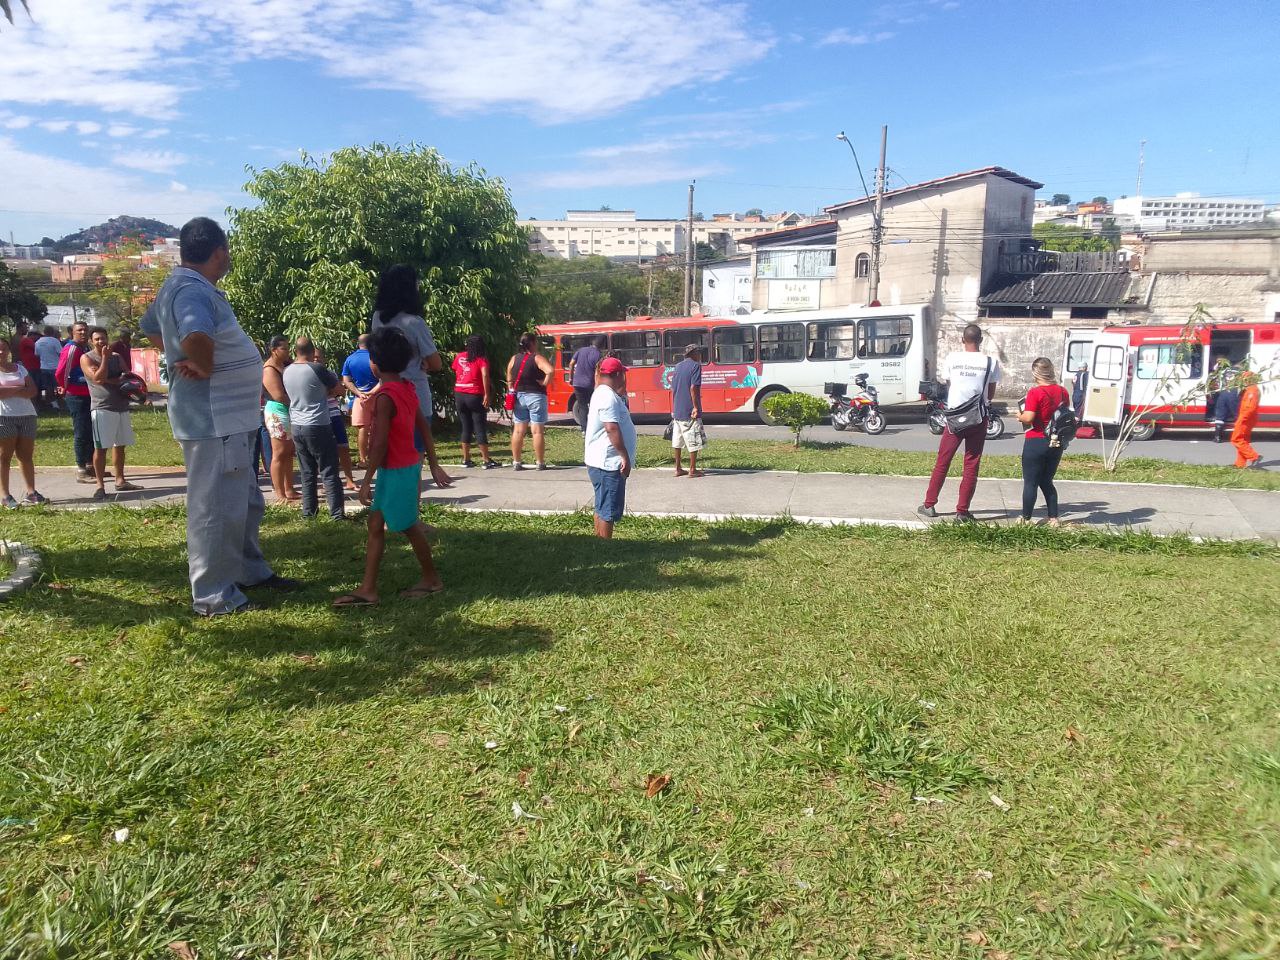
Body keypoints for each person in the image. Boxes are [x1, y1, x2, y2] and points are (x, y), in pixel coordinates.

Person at [141, 216, 297, 617]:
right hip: (214, 421)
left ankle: (249, 571)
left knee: (243, 504)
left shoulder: (184, 286)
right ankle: (213, 595)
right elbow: (195, 335)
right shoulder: (190, 291)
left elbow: (153, 330)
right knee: (214, 509)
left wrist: (178, 352)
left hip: (232, 419)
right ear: (219, 251)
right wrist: (199, 361)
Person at [333, 326, 454, 608]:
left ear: (374, 364)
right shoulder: (406, 387)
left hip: (397, 470)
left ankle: (431, 580)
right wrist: (433, 463)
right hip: (404, 467)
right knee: (375, 524)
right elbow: (423, 426)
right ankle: (368, 588)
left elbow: (379, 444)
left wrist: (366, 480)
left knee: (409, 526)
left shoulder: (385, 397)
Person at [918, 323, 1001, 522]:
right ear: (981, 340)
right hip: (978, 418)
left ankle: (929, 504)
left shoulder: (952, 359)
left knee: (943, 461)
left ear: (962, 340)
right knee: (971, 463)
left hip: (954, 417)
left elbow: (949, 383)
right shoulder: (990, 362)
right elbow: (990, 392)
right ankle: (962, 511)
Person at [369, 264, 441, 454]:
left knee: (392, 454)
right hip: (416, 394)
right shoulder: (414, 322)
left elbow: (375, 362)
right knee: (415, 455)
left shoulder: (377, 318)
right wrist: (423, 362)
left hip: (387, 393)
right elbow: (436, 363)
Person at [283, 337, 345, 519]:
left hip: (297, 425)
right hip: (317, 423)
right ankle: (336, 514)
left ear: (295, 351)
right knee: (329, 470)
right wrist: (328, 392)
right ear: (312, 352)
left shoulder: (286, 371)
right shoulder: (316, 368)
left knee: (307, 472)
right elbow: (339, 389)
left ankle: (309, 513)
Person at [81, 325, 142, 499]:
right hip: (102, 407)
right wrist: (106, 360)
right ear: (91, 342)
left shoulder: (117, 356)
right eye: (97, 339)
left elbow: (128, 376)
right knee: (101, 447)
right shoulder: (87, 358)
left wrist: (133, 387)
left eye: (103, 338)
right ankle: (100, 486)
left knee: (120, 445)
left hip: (121, 406)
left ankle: (120, 480)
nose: (101, 341)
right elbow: (98, 379)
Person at [1014, 357, 1072, 526]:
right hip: (1056, 441)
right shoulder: (1063, 391)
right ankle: (1053, 518)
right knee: (1047, 481)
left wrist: (1019, 416)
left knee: (1031, 482)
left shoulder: (1035, 392)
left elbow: (1029, 417)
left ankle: (1025, 518)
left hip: (1036, 440)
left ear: (1035, 373)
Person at [583, 356, 636, 539]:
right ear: (619, 374)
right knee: (608, 509)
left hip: (600, 461)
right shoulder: (608, 397)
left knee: (602, 504)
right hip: (609, 463)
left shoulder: (602, 392)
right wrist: (624, 456)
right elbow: (611, 428)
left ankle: (599, 542)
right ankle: (605, 547)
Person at [0, 337, 45, 507]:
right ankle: (5, 496)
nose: (1, 352)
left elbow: (32, 391)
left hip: (27, 415)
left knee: (25, 456)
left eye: (3, 348)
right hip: (4, 416)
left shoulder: (20, 369)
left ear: (9, 350)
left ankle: (31, 492)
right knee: (4, 457)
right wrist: (20, 389)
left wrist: (10, 390)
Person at [507, 332, 554, 470]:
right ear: (532, 343)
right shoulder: (537, 358)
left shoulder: (514, 358)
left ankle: (516, 462)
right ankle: (540, 462)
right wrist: (544, 383)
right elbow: (550, 371)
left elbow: (509, 376)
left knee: (518, 431)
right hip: (536, 396)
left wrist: (511, 387)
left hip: (519, 397)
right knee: (537, 431)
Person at [54, 321, 94, 483]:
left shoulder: (85, 349)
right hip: (76, 395)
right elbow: (61, 371)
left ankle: (91, 465)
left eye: (85, 330)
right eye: (79, 330)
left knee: (91, 430)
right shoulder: (71, 349)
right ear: (72, 332)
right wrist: (64, 387)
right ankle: (81, 469)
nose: (83, 333)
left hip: (89, 393)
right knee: (81, 431)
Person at [314, 344, 357, 490]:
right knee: (321, 452)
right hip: (317, 418)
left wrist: (329, 392)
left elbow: (341, 391)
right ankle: (324, 483)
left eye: (318, 358)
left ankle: (349, 480)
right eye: (313, 358)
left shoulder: (329, 374)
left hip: (334, 414)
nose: (316, 360)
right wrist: (330, 392)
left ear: (324, 359)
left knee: (343, 447)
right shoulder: (307, 375)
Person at [452, 334, 498, 468]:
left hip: (460, 393)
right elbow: (484, 374)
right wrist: (486, 394)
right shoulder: (481, 359)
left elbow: (456, 370)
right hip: (475, 394)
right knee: (479, 427)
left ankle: (466, 459)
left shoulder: (459, 356)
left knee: (465, 427)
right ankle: (486, 460)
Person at [262, 335, 298, 503]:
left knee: (289, 452)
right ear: (273, 350)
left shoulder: (286, 365)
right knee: (279, 453)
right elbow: (278, 396)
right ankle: (279, 493)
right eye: (283, 348)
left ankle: (289, 488)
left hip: (289, 410)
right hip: (277, 412)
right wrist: (299, 402)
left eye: (288, 347)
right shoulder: (269, 369)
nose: (287, 351)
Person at [669, 342, 705, 478]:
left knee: (677, 440)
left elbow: (673, 388)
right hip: (689, 409)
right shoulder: (695, 366)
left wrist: (674, 405)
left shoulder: (678, 366)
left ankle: (678, 468)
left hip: (678, 408)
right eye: (698, 353)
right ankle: (692, 469)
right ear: (694, 354)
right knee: (693, 438)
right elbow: (693, 387)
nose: (700, 355)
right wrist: (695, 406)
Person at [341, 333, 378, 466]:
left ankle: (363, 459)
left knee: (363, 428)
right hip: (378, 396)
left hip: (359, 397)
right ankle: (375, 458)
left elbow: (346, 380)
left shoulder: (350, 359)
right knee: (377, 427)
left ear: (358, 344)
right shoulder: (376, 357)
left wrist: (358, 392)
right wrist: (372, 392)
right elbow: (383, 378)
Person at [568, 335, 606, 432]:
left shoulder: (581, 350)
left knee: (582, 406)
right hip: (589, 384)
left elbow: (571, 363)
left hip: (577, 383)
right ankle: (594, 428)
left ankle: (584, 430)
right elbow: (598, 371)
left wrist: (571, 378)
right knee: (593, 405)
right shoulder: (598, 355)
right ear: (602, 345)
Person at [1232, 370, 1261, 469]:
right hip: (1248, 419)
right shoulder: (1251, 389)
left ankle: (1254, 456)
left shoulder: (1252, 390)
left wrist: (1241, 419)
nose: (1242, 381)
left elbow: (1250, 408)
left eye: (1243, 379)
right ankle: (1240, 464)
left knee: (1236, 439)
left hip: (1246, 419)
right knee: (1243, 440)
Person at [34, 326, 63, 409]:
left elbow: (36, 354)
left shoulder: (38, 342)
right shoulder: (54, 341)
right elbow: (61, 353)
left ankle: (54, 404)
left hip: (43, 367)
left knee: (48, 387)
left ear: (44, 332)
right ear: (53, 332)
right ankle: (60, 403)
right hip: (55, 367)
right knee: (58, 386)